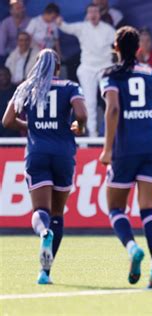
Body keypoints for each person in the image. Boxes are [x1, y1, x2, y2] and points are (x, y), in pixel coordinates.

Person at [1, 49, 87, 284]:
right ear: (59, 67)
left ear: (36, 66)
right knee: (58, 214)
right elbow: (81, 113)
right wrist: (77, 127)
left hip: (37, 152)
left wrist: (32, 126)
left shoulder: (26, 87)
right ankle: (45, 272)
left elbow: (7, 121)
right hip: (63, 154)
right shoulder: (70, 86)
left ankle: (43, 232)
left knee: (41, 211)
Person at [99, 26, 152, 288]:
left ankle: (132, 248)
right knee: (149, 210)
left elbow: (113, 107)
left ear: (116, 47)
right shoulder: (151, 74)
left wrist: (107, 148)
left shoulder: (110, 75)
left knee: (116, 209)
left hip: (124, 150)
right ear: (139, 48)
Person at [56, 3, 115, 137]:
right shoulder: (82, 27)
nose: (93, 15)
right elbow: (66, 27)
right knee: (89, 102)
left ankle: (110, 134)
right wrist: (59, 23)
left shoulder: (108, 29)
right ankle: (92, 135)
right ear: (87, 15)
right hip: (88, 68)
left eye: (96, 12)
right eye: (90, 12)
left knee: (111, 101)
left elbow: (117, 44)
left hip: (105, 68)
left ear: (100, 14)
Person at [0, 67, 20, 137]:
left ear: (10, 75)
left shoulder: (17, 90)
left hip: (13, 127)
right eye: (1, 75)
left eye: (5, 74)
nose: (3, 77)